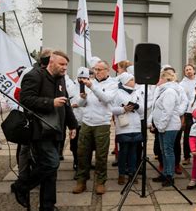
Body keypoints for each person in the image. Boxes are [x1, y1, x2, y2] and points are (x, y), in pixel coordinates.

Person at [11, 51, 78, 210]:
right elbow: (25, 100)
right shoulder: (34, 76)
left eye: (66, 65)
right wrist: (50, 102)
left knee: (51, 172)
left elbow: (66, 104)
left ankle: (47, 205)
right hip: (39, 130)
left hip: (56, 130)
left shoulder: (61, 79)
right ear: (51, 63)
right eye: (61, 64)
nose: (64, 68)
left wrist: (73, 125)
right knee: (51, 163)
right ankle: (21, 186)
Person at [72, 60, 117, 195]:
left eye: (100, 69)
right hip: (86, 122)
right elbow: (80, 103)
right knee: (82, 153)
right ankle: (81, 181)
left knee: (101, 155)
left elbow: (107, 99)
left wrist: (92, 86)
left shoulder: (113, 84)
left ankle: (100, 182)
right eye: (95, 69)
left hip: (102, 123)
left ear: (107, 70)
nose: (96, 72)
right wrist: (82, 97)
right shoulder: (90, 82)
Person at [13, 49, 53, 184]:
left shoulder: (54, 74)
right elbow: (19, 94)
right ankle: (23, 177)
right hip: (29, 117)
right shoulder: (30, 73)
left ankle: (39, 175)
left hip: (47, 119)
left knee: (42, 150)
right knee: (24, 149)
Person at [150, 69, 183, 186]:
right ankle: (164, 173)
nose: (157, 81)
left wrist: (161, 126)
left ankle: (170, 176)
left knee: (168, 151)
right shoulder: (163, 90)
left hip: (169, 126)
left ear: (165, 79)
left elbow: (167, 111)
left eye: (159, 78)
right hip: (163, 126)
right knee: (163, 151)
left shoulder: (169, 91)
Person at [111, 72, 144, 185]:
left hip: (135, 127)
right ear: (125, 81)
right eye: (131, 79)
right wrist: (123, 109)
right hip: (123, 127)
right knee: (123, 153)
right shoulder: (117, 93)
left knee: (133, 153)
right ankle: (121, 174)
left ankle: (132, 174)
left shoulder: (137, 92)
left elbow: (142, 110)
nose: (134, 81)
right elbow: (111, 109)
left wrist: (137, 106)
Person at [179, 64, 196, 166]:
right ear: (184, 72)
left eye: (190, 69)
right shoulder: (182, 84)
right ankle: (187, 156)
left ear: (194, 70)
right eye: (186, 70)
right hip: (188, 112)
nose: (189, 71)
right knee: (187, 135)